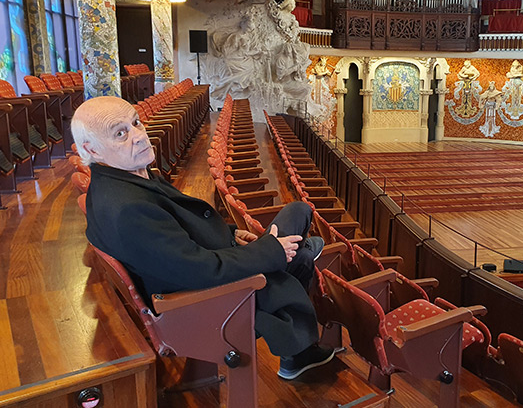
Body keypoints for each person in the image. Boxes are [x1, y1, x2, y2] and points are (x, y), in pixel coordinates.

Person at [71, 96, 334, 380]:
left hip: (208, 263)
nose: (138, 135)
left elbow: (176, 240)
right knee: (299, 243)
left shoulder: (122, 180)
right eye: (120, 133)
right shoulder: (128, 208)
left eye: (136, 122)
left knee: (298, 212)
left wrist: (232, 233)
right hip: (207, 302)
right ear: (91, 149)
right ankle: (298, 350)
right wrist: (272, 253)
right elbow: (201, 270)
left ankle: (300, 256)